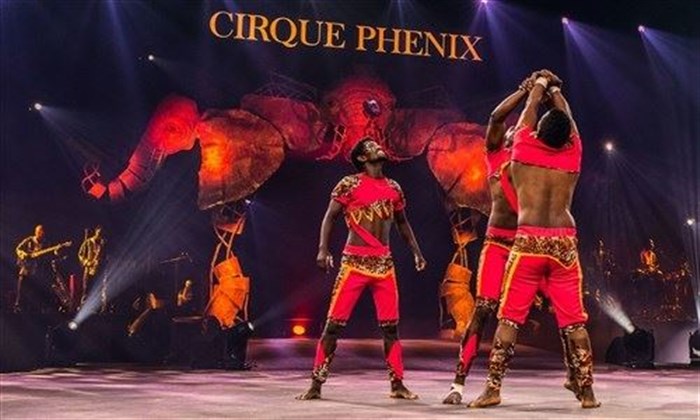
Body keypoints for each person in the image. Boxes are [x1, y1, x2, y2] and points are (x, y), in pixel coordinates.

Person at [469, 70, 601, 409]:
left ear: (537, 132)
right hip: (564, 244)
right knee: (574, 322)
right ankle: (587, 393)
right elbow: (569, 122)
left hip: (529, 243)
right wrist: (556, 90)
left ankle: (493, 389)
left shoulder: (524, 148)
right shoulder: (573, 154)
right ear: (568, 136)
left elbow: (528, 111)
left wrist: (540, 85)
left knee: (509, 318)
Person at [296, 137, 426, 400]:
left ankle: (397, 385)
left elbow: (403, 223)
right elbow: (330, 217)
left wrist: (416, 251)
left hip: (384, 265)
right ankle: (315, 385)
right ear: (362, 158)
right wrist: (323, 249)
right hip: (354, 264)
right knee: (333, 326)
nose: (379, 147)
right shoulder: (349, 184)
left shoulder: (394, 187)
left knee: (390, 328)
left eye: (378, 145)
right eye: (372, 147)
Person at [442, 76, 531, 405]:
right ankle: (458, 383)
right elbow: (496, 118)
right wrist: (525, 91)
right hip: (497, 244)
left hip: (528, 245)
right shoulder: (495, 156)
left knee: (555, 318)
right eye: (510, 131)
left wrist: (545, 95)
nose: (513, 131)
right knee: (483, 311)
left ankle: (579, 381)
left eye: (518, 131)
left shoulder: (532, 163)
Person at [14, 225, 46, 311]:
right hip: (26, 268)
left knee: (34, 291)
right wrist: (23, 254)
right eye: (39, 232)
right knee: (22, 288)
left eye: (42, 232)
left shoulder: (45, 243)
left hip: (37, 270)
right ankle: (18, 306)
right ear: (35, 232)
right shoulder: (29, 240)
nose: (40, 233)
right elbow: (18, 249)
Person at [78, 226, 106, 304]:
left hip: (99, 270)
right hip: (89, 269)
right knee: (86, 290)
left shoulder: (102, 243)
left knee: (99, 290)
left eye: (101, 234)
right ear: (96, 231)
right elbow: (80, 254)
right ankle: (84, 304)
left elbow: (106, 256)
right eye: (99, 233)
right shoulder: (88, 242)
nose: (100, 235)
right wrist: (87, 262)